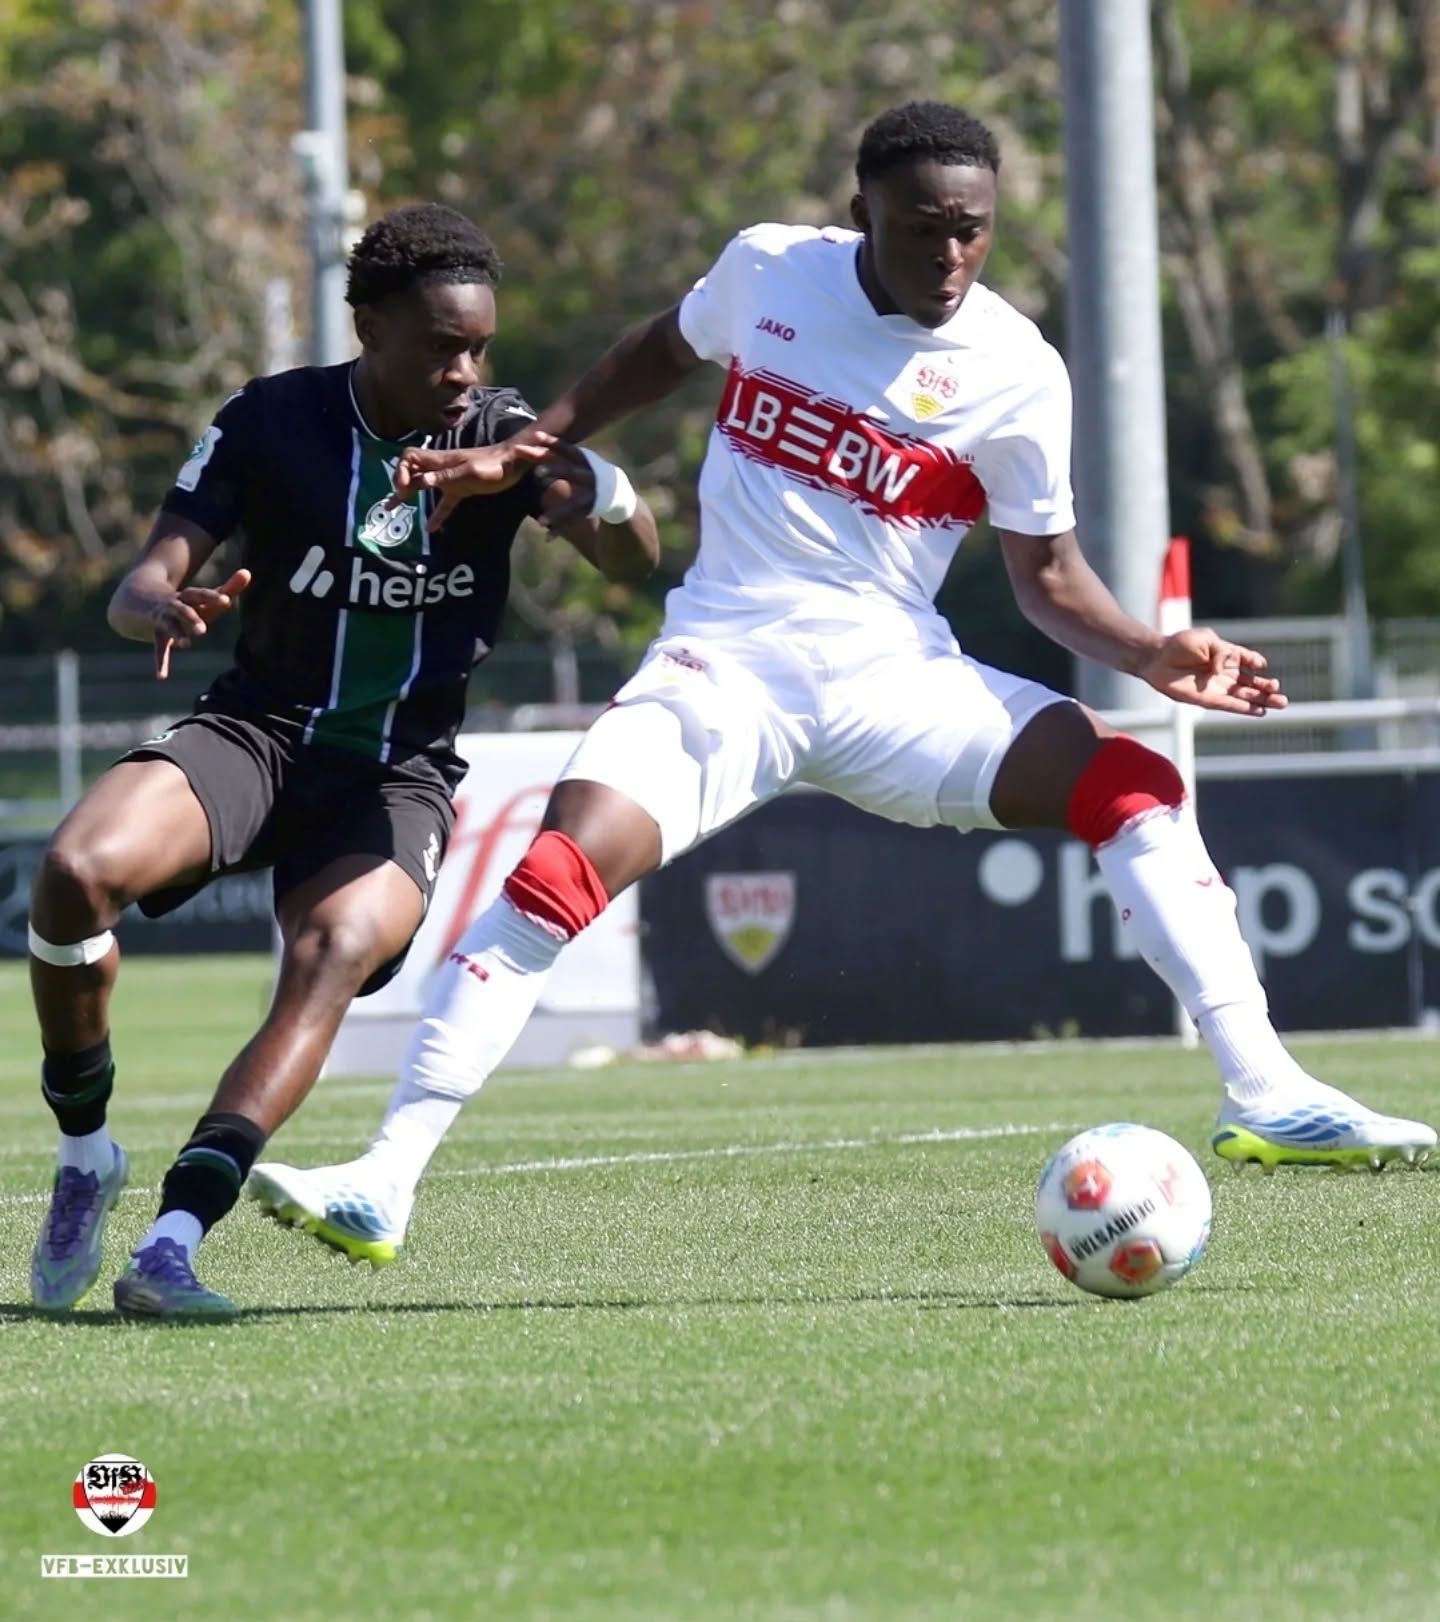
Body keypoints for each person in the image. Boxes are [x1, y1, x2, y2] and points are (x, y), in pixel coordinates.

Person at [252, 101, 1434, 1268]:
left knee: (1129, 782)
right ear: (859, 209)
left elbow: (1047, 576)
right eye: (923, 226)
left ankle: (1265, 1086)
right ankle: (385, 1177)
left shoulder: (1019, 368)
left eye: (972, 228)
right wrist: (534, 440)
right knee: (557, 871)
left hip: (895, 679)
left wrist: (1148, 653)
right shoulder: (770, 270)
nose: (951, 253)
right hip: (726, 665)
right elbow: (662, 347)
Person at [26, 203, 660, 1318]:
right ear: (369, 327)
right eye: (440, 347)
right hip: (256, 729)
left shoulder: (500, 433)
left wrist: (597, 487)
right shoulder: (272, 417)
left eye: (479, 348)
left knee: (333, 952)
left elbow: (632, 560)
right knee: (75, 871)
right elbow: (143, 580)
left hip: (396, 770)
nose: (464, 374)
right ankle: (86, 1154)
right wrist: (162, 604)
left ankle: (173, 1240)